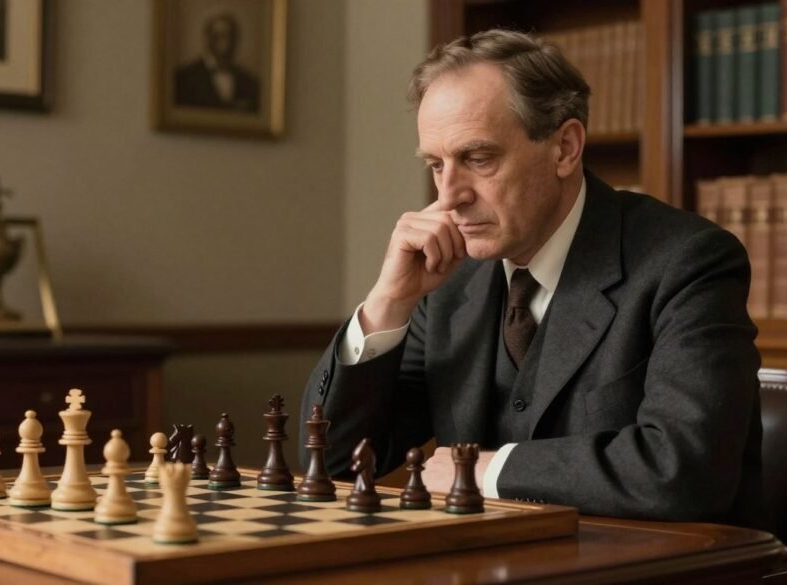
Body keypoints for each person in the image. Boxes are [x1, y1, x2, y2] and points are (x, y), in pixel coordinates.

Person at [300, 29, 763, 527]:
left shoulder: (688, 261)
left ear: (564, 148)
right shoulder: (450, 281)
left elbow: (685, 470)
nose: (449, 194)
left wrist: (490, 470)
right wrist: (387, 301)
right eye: (437, 165)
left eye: (478, 159)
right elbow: (332, 460)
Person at [174, 12, 260, 112]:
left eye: (230, 35)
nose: (225, 41)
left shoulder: (250, 82)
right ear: (207, 38)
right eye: (218, 35)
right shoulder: (184, 77)